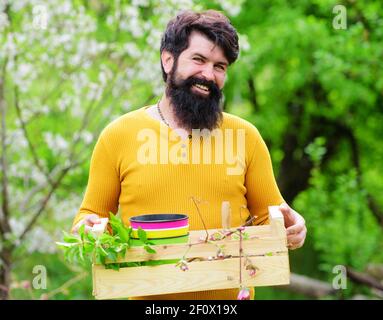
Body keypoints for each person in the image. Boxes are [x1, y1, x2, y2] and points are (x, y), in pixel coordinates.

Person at [72, 9, 306, 300]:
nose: (208, 74)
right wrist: (88, 230)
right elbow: (88, 219)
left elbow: (271, 219)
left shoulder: (246, 137)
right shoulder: (118, 136)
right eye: (198, 60)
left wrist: (292, 226)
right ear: (168, 60)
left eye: (220, 66)